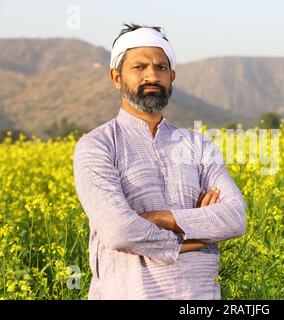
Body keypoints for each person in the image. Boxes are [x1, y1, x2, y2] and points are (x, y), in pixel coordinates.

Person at [73, 23, 247, 299]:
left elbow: (235, 218)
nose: (152, 75)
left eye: (161, 67)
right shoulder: (97, 146)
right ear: (116, 77)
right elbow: (119, 231)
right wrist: (195, 236)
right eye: (139, 67)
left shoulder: (200, 145)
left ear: (172, 76)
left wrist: (158, 218)